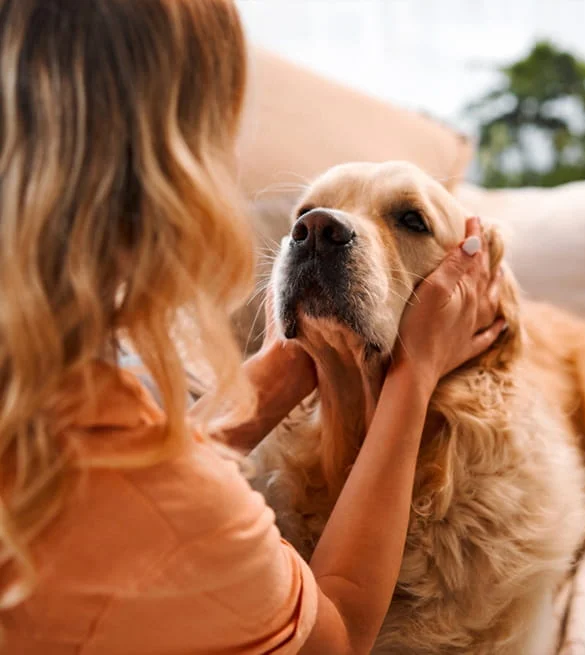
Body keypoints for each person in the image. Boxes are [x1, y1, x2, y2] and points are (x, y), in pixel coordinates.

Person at [0, 1, 505, 653]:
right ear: (172, 179)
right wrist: (414, 375)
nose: (319, 229)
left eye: (407, 220)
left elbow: (144, 467)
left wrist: (283, 361)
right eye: (220, 139)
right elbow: (339, 631)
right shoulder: (185, 520)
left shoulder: (62, 396)